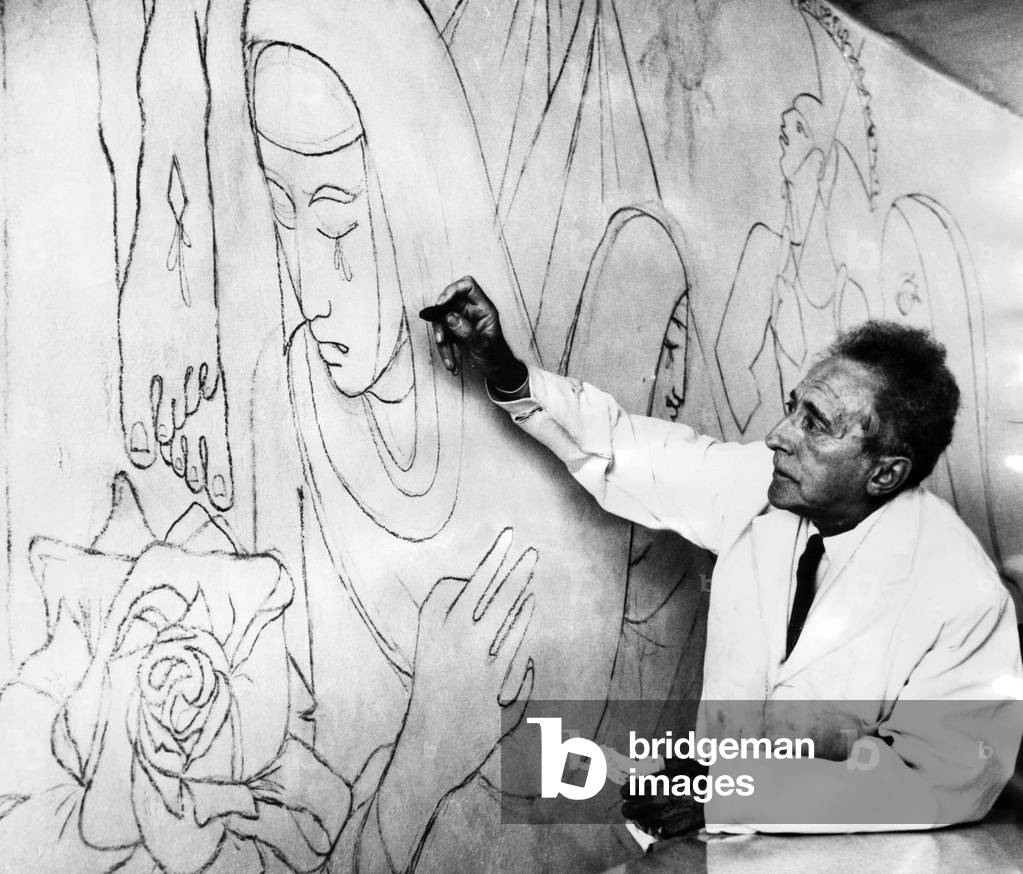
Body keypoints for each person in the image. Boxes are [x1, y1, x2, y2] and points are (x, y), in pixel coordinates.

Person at [428, 275, 1023, 835]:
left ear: (885, 473)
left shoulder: (961, 594)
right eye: (794, 407)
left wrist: (729, 793)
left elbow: (944, 781)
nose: (778, 435)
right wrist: (505, 371)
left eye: (815, 425)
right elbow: (620, 447)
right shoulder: (760, 487)